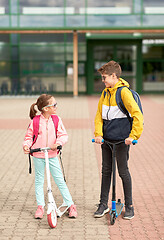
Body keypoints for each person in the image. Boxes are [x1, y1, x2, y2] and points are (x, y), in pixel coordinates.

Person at [94, 60, 143, 219]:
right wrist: (98, 134)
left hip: (122, 141)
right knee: (106, 171)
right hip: (107, 141)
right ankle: (103, 204)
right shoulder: (105, 93)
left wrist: (133, 136)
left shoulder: (123, 93)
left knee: (123, 171)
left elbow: (137, 115)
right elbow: (99, 116)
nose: (103, 81)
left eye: (104, 77)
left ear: (114, 76)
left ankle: (129, 205)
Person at [23, 94, 77, 219]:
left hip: (52, 155)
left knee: (59, 180)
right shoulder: (35, 121)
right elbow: (29, 137)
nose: (56, 106)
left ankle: (70, 205)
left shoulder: (56, 120)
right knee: (39, 181)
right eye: (54, 105)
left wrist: (58, 143)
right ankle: (40, 206)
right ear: (46, 108)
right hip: (38, 154)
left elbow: (63, 135)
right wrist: (26, 146)